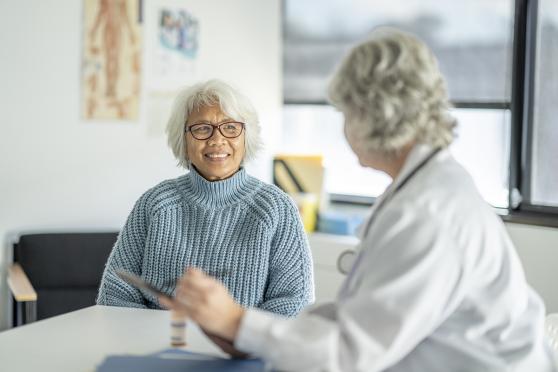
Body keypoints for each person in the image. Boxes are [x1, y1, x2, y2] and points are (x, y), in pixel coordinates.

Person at [161, 29, 557, 371]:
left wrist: (237, 322)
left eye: (346, 113)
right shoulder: (422, 189)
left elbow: (350, 354)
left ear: (375, 114)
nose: (344, 128)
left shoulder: (428, 213)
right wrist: (244, 329)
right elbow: (363, 313)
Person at [97, 80, 314, 320]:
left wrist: (232, 336)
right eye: (202, 128)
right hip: (159, 348)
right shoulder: (155, 203)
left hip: (240, 352)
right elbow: (114, 296)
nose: (217, 140)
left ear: (246, 136)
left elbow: (293, 304)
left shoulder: (276, 208)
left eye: (230, 127)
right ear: (184, 140)